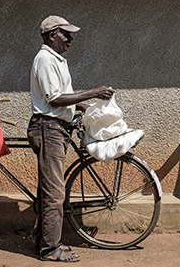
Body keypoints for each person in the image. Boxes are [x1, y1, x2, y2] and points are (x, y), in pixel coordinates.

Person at [27, 15, 115, 262]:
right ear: (52, 34)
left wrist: (83, 106)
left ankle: (45, 243)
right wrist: (93, 92)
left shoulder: (56, 59)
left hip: (55, 128)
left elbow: (60, 98)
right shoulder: (45, 59)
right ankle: (49, 249)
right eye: (66, 34)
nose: (70, 39)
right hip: (48, 129)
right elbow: (54, 99)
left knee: (48, 191)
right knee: (55, 193)